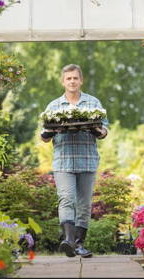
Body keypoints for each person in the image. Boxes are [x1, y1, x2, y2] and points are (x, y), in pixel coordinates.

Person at [40, 64, 108, 258]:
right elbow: (44, 136)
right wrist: (51, 130)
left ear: (81, 80)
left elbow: (104, 130)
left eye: (75, 78)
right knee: (66, 199)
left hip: (87, 160)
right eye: (68, 78)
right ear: (63, 81)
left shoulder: (92, 102)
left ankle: (79, 244)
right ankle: (68, 240)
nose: (72, 81)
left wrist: (95, 129)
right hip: (63, 162)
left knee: (85, 204)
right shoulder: (53, 106)